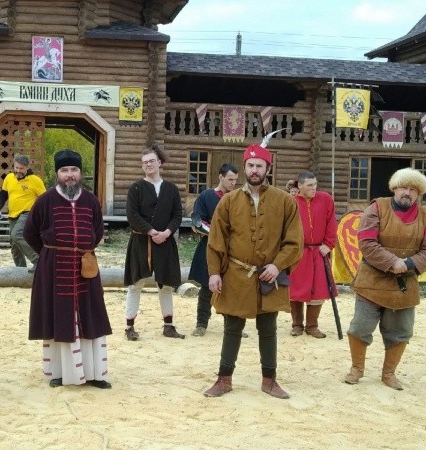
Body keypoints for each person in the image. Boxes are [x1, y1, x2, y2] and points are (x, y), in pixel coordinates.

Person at [204, 144, 303, 399]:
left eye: (260, 165)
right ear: (245, 167)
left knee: (268, 329)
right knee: (232, 328)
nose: (254, 170)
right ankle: (224, 380)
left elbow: (294, 241)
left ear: (268, 168)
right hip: (236, 274)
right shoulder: (229, 201)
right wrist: (214, 272)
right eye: (250, 165)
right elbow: (216, 239)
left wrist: (277, 265)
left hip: (270, 276)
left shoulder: (285, 201)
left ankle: (269, 381)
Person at [23, 149, 113, 389]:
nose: (70, 175)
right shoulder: (45, 200)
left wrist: (83, 250)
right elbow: (29, 233)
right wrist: (49, 254)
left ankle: (94, 373)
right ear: (57, 174)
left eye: (74, 170)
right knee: (59, 316)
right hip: (55, 269)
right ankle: (59, 372)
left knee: (90, 315)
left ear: (80, 173)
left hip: (86, 267)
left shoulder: (91, 200)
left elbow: (97, 231)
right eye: (64, 170)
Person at [345, 167, 426, 390]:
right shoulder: (377, 207)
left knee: (400, 332)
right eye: (403, 187)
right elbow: (366, 242)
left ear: (419, 194)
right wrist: (392, 262)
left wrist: (409, 264)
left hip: (404, 283)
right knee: (360, 327)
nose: (407, 192)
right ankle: (357, 368)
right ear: (394, 188)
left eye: (413, 190)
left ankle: (389, 374)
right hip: (372, 281)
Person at [124, 143, 185, 340]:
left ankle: (168, 326)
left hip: (165, 242)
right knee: (136, 284)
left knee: (166, 285)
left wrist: (166, 233)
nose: (148, 165)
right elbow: (132, 215)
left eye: (151, 161)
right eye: (144, 162)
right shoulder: (136, 188)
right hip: (141, 242)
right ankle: (129, 327)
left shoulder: (171, 189)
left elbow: (177, 214)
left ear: (159, 163)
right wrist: (151, 232)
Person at [189, 163, 239, 337]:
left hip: (232, 249)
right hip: (210, 246)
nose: (233, 183)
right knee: (207, 285)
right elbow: (197, 222)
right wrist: (217, 234)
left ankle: (231, 326)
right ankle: (201, 324)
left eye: (235, 180)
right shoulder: (206, 196)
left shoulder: (237, 198)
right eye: (230, 179)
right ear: (221, 177)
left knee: (232, 287)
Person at [288, 171, 338, 338]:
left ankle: (312, 326)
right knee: (296, 289)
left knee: (318, 289)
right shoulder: (291, 202)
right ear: (300, 186)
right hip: (298, 253)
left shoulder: (326, 199)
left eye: (315, 184)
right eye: (310, 185)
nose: (314, 188)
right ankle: (297, 325)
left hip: (318, 251)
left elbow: (331, 222)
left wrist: (329, 244)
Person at [0, 154, 46, 272]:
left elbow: (44, 198)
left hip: (28, 213)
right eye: (16, 167)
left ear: (27, 167)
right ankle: (20, 271)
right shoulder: (9, 178)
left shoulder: (35, 180)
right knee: (15, 246)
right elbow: (3, 195)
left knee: (17, 234)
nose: (18, 170)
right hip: (13, 215)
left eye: (21, 168)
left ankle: (38, 260)